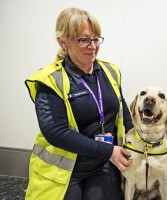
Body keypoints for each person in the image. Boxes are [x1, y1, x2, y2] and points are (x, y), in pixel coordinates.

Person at [25, 7, 133, 200]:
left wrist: (139, 140)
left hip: (102, 164)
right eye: (83, 40)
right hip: (64, 171)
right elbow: (56, 132)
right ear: (63, 41)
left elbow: (121, 109)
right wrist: (108, 151)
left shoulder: (111, 71)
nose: (92, 46)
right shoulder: (49, 80)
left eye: (96, 39)